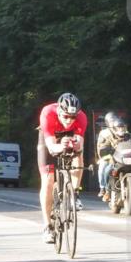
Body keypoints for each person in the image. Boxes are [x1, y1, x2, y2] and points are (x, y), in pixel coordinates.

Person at [38, 93, 88, 243]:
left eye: (73, 117)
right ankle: (47, 227)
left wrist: (74, 145)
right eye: (66, 116)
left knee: (78, 155)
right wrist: (61, 146)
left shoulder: (81, 118)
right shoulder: (48, 113)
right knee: (48, 179)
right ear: (59, 112)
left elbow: (80, 144)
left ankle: (75, 193)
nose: (69, 120)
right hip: (50, 139)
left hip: (69, 137)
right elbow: (52, 148)